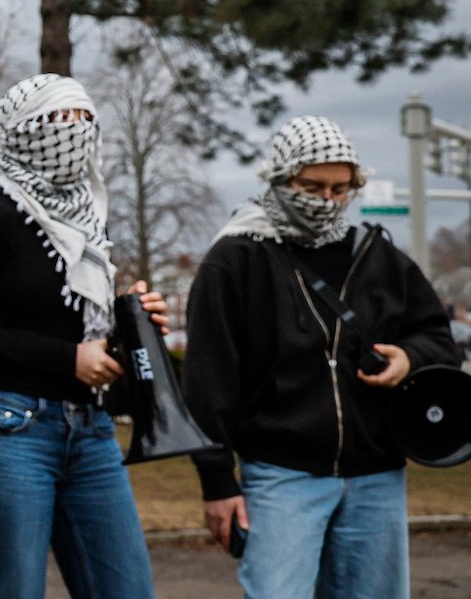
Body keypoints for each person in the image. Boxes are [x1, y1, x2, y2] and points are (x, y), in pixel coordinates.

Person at [183, 116, 458, 599]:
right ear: (280, 178)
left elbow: (438, 338)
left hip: (376, 476)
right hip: (280, 474)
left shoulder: (378, 257)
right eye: (310, 186)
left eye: (339, 188)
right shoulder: (235, 260)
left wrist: (410, 359)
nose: (325, 201)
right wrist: (217, 480)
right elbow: (209, 381)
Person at [0, 73, 168, 599]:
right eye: (61, 119)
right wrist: (70, 359)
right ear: (24, 131)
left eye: (86, 120)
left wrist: (132, 318)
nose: (77, 132)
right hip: (10, 432)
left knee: (128, 588)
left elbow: (80, 326)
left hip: (91, 432)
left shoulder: (90, 220)